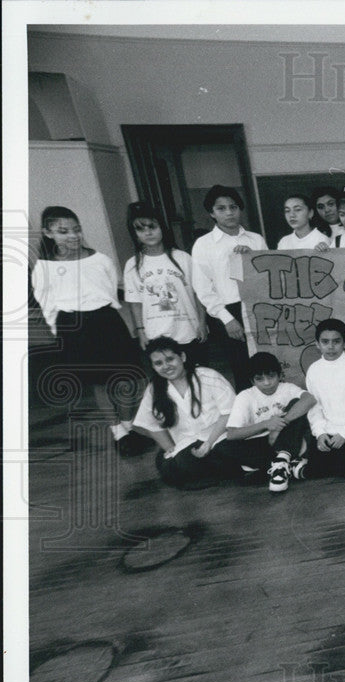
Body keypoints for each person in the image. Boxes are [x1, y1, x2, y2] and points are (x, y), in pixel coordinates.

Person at [31, 205, 144, 455]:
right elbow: (47, 305)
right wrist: (60, 333)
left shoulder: (100, 259)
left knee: (125, 378)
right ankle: (118, 433)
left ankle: (128, 426)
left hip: (106, 321)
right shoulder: (43, 268)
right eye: (63, 231)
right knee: (99, 383)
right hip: (73, 327)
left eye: (76, 229)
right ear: (48, 233)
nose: (72, 235)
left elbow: (111, 293)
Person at [132, 336, 242, 489]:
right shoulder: (154, 389)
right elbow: (150, 425)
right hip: (188, 446)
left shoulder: (207, 376)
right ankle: (213, 472)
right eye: (158, 363)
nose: (166, 366)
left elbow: (229, 413)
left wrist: (208, 443)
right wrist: (171, 449)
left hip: (218, 438)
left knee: (230, 450)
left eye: (170, 359)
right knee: (172, 463)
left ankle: (212, 471)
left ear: (182, 357)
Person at [190, 185, 266, 391]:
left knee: (265, 363)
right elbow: (203, 288)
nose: (229, 212)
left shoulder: (256, 239)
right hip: (228, 311)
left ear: (240, 209)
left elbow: (268, 276)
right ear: (211, 213)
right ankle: (249, 418)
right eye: (221, 208)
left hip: (258, 308)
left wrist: (252, 258)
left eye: (233, 207)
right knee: (242, 368)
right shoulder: (204, 244)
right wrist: (227, 319)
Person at [212, 352, 316, 493]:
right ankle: (287, 465)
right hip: (261, 443)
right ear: (252, 381)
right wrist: (266, 424)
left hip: (286, 437)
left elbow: (309, 399)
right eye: (259, 379)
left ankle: (280, 462)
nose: (267, 382)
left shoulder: (288, 388)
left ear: (280, 375)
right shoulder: (245, 396)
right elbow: (232, 434)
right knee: (221, 448)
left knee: (296, 403)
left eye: (271, 376)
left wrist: (280, 425)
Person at [123, 202, 207, 359]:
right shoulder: (132, 265)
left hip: (188, 332)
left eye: (152, 227)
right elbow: (135, 303)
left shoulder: (183, 258)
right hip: (155, 335)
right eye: (140, 229)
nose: (148, 233)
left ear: (162, 227)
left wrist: (202, 323)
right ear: (134, 234)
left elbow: (198, 294)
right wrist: (140, 331)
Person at [304, 319, 345, 478]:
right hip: (328, 430)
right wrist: (320, 433)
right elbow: (314, 407)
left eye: (336, 341)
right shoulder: (314, 370)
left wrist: (343, 433)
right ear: (317, 344)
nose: (330, 346)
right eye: (325, 342)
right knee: (315, 471)